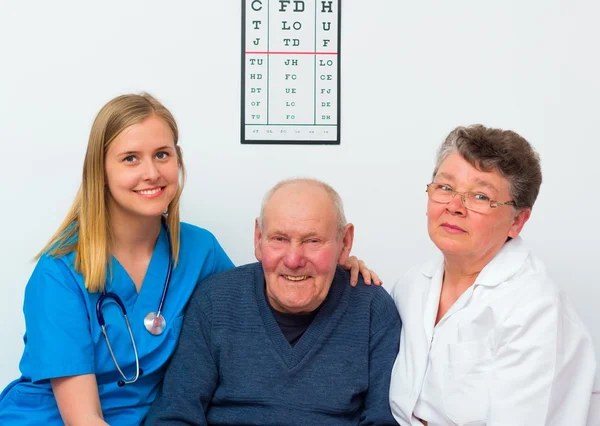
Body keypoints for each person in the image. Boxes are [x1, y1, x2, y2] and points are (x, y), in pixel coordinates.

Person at [0, 94, 376, 425]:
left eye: (162, 154)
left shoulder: (199, 250)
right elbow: (83, 419)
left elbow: (256, 306)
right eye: (130, 158)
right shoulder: (59, 273)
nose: (151, 172)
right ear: (100, 171)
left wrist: (336, 264)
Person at [144, 178, 401, 426]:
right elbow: (175, 416)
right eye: (279, 239)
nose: (293, 259)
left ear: (344, 242)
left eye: (312, 241)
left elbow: (386, 420)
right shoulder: (215, 301)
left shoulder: (372, 308)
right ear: (258, 239)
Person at [389, 125, 597, 425]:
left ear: (517, 221)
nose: (454, 206)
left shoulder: (535, 309)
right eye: (445, 188)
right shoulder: (411, 284)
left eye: (480, 196)